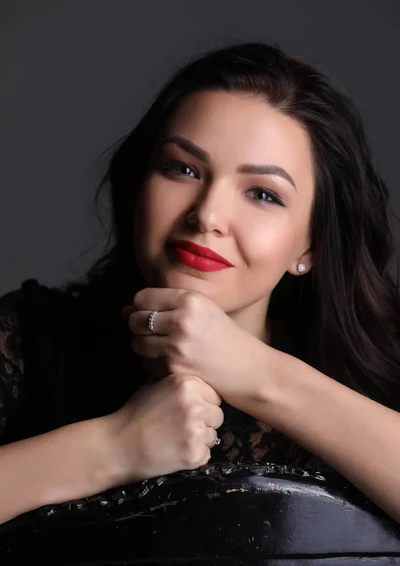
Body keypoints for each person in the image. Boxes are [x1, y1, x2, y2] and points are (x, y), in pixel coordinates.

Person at [1, 41, 400, 528]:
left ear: (311, 246)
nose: (207, 215)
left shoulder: (384, 366)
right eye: (182, 168)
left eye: (262, 194)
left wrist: (256, 374)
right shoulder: (29, 338)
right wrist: (111, 446)